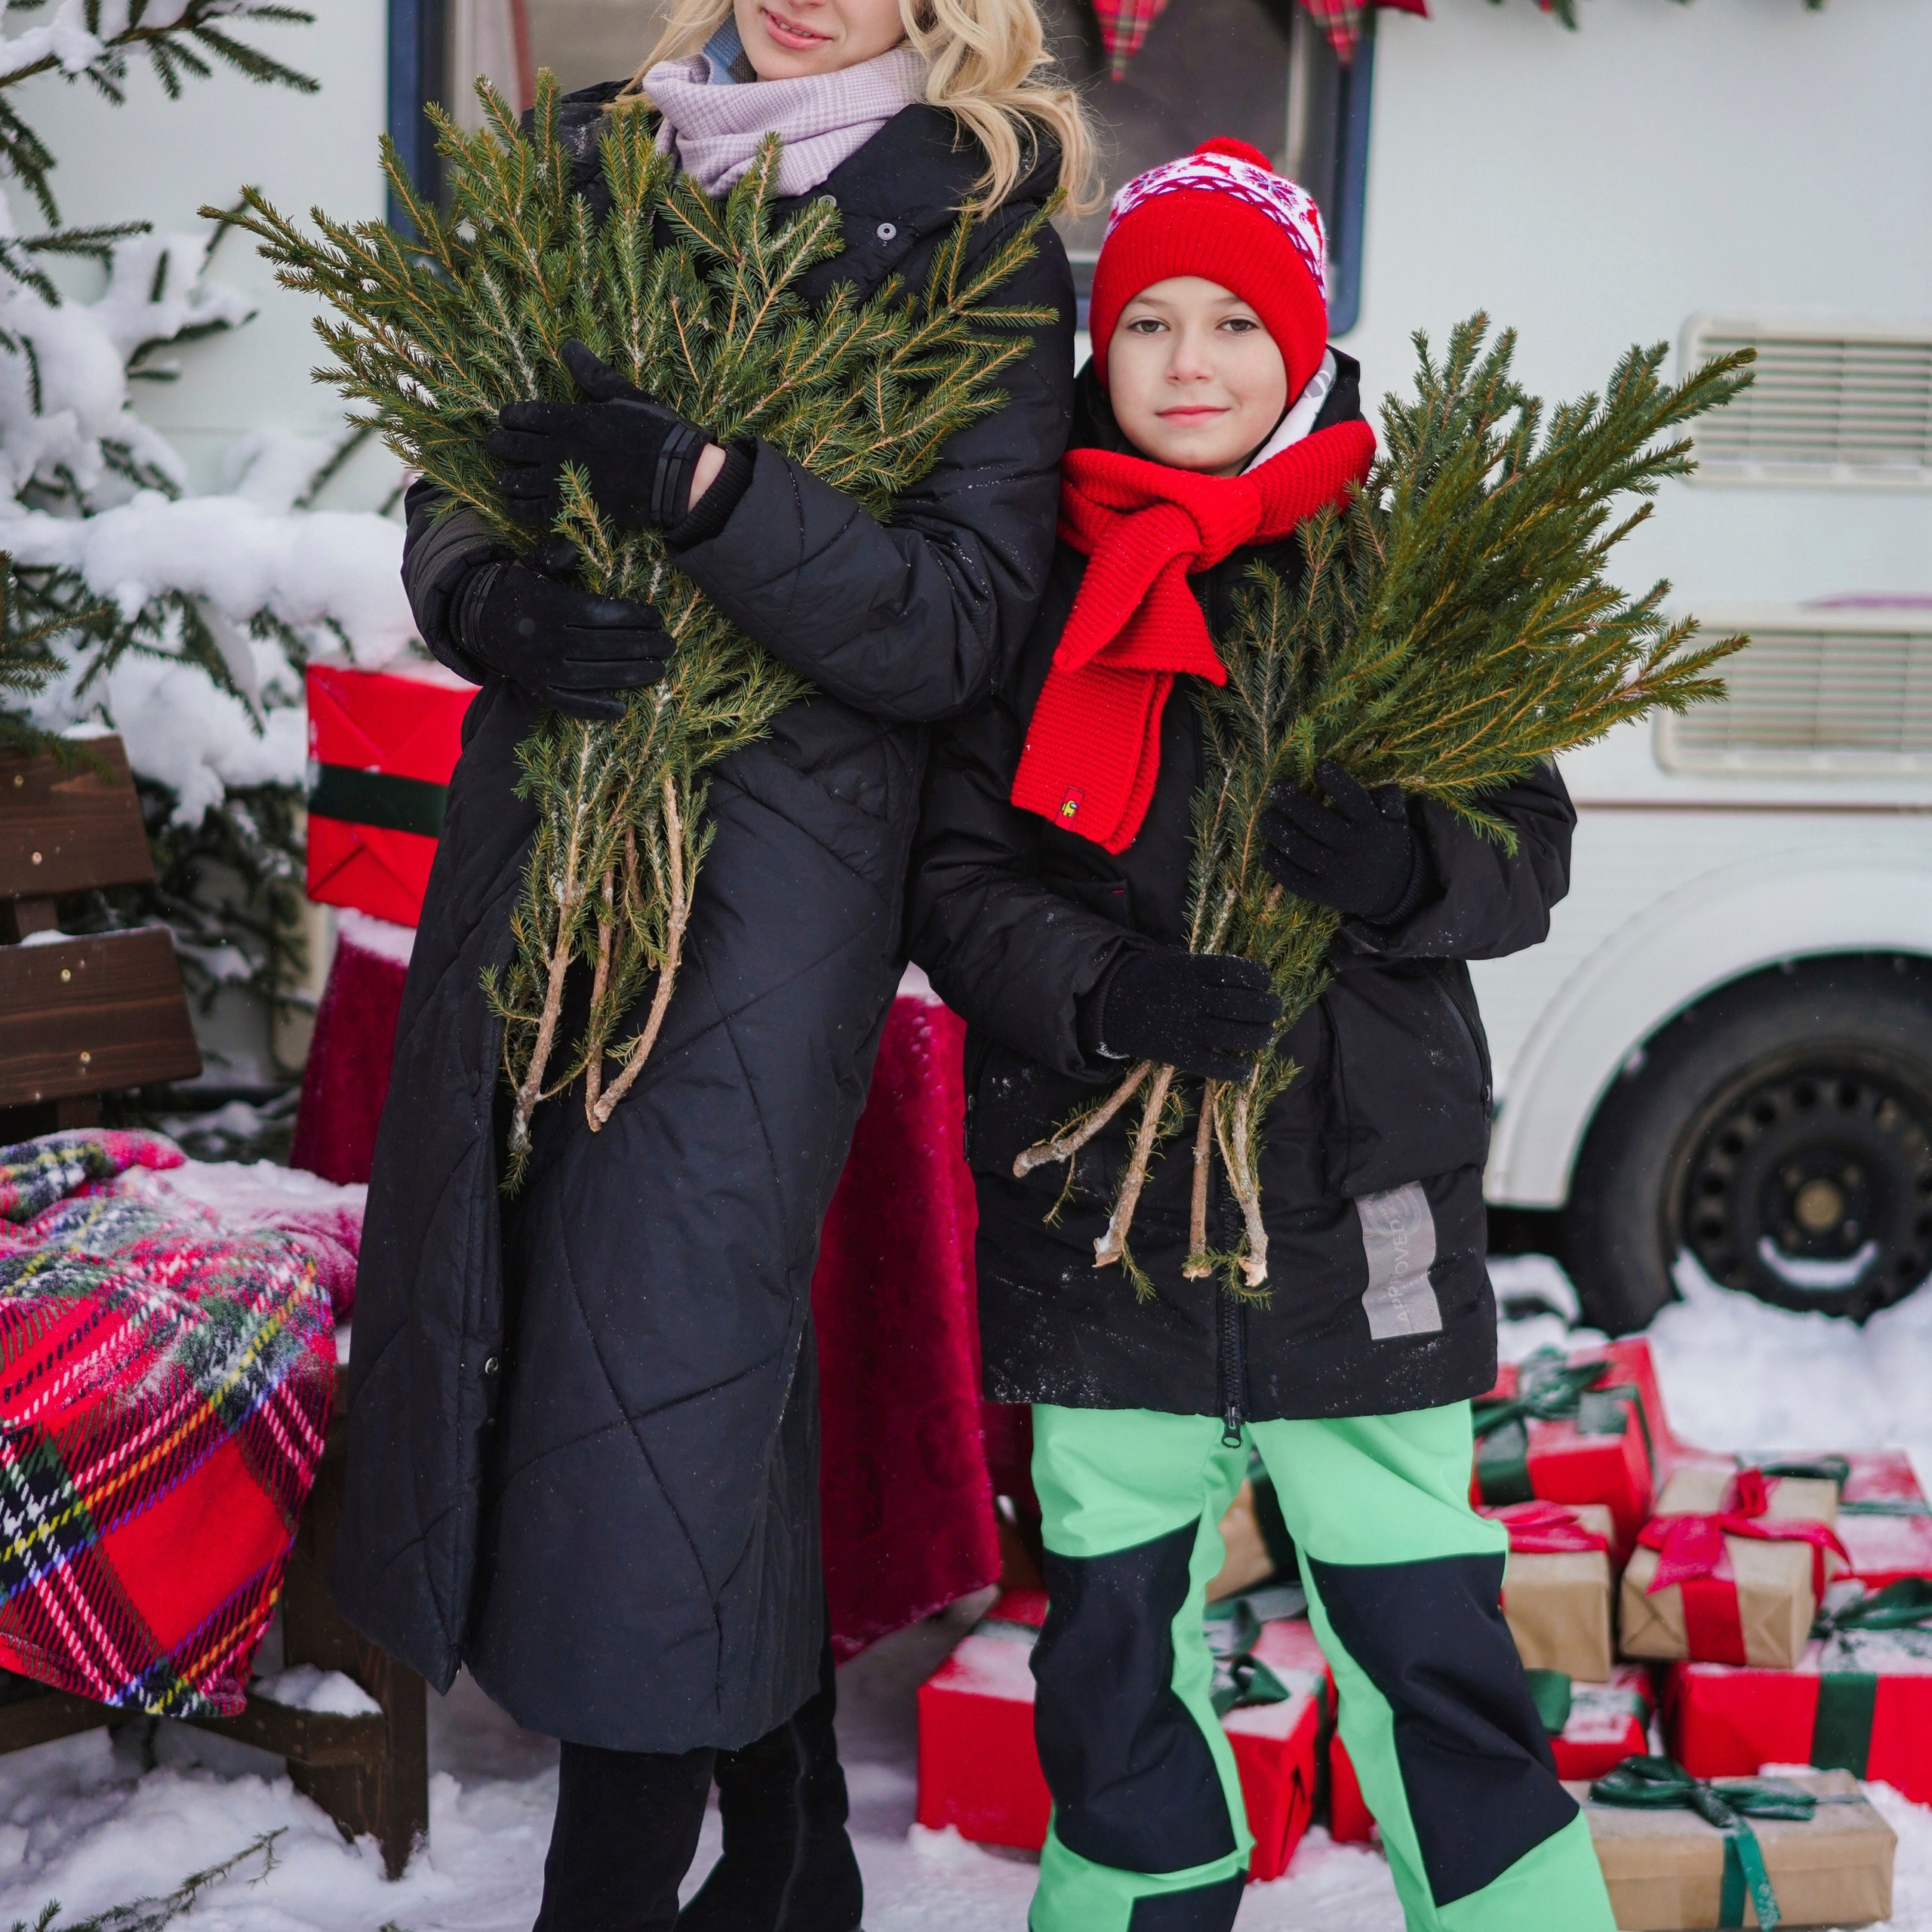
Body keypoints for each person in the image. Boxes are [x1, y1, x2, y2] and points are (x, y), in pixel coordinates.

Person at [332, 2, 1092, 1927]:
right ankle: (793, 1851)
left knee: (653, 1347)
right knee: (568, 1333)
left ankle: (607, 1889)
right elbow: (451, 472)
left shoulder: (977, 219)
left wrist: (707, 490)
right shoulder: (603, 157)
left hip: (772, 881)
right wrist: (487, 595)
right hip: (539, 847)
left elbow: (957, 624)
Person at [907, 140, 1619, 1932]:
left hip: (1356, 1212)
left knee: (1424, 1635)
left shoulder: (1394, 582)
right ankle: (1137, 1903)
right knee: (1107, 1650)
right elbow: (958, 872)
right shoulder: (1028, 582)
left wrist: (1407, 866)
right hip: (1104, 1219)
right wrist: (1101, 987)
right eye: (1145, 319)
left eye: (1234, 320)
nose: (1187, 360)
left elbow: (1523, 844)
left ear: (1297, 346)